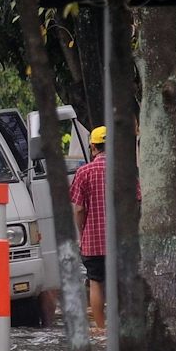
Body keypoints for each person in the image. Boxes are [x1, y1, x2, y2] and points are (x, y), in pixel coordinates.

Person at [70, 125, 109, 327]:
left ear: (93, 146)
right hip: (120, 240)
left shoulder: (84, 172)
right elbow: (137, 200)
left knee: (96, 281)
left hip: (93, 241)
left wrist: (83, 231)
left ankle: (102, 329)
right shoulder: (124, 169)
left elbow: (78, 209)